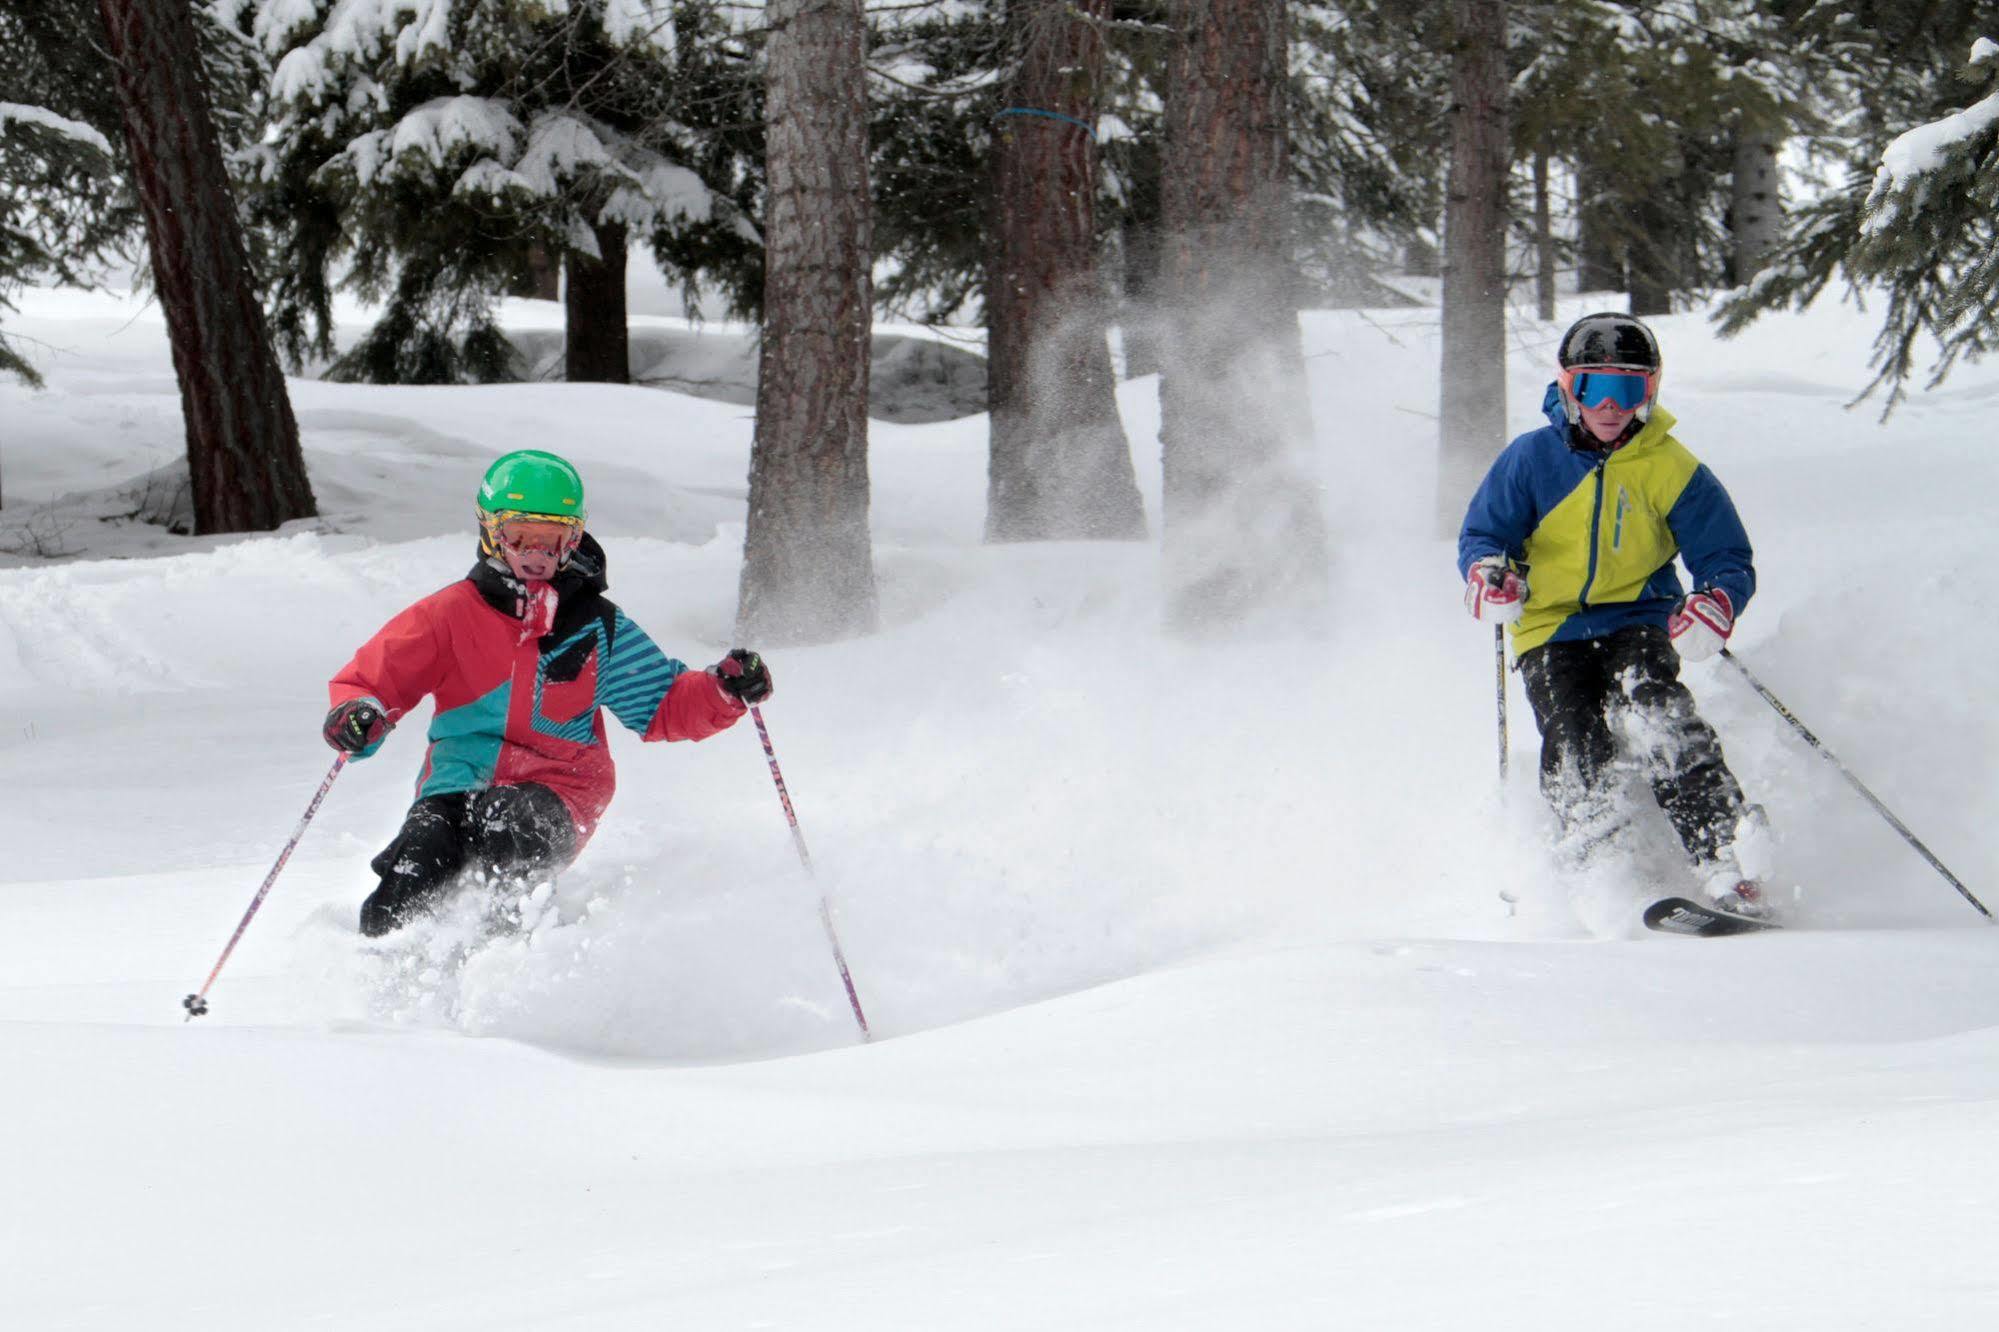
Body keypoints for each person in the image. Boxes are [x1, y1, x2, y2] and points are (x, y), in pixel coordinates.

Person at [323, 449, 773, 936]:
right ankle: (385, 968)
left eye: (551, 540)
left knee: (503, 824)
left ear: (573, 539)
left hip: (562, 787)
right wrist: (358, 714)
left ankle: (511, 961)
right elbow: (377, 678)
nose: (535, 556)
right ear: (491, 533)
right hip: (456, 779)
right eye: (519, 537)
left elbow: (663, 705)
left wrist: (723, 690)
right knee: (420, 854)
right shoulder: (449, 614)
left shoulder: (596, 626)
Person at [1457, 312, 1774, 917]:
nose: (1609, 405)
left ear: (1650, 392)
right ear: (1567, 387)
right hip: (1550, 625)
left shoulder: (1672, 468)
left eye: (1628, 389)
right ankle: (1601, 869)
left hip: (1639, 617)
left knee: (1654, 704)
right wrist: (1490, 576)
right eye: (1592, 386)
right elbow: (1484, 536)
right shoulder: (1531, 459)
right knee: (1575, 728)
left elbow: (1726, 556)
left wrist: (1716, 602)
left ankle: (1725, 856)